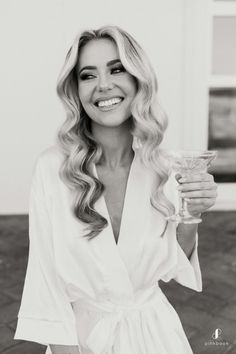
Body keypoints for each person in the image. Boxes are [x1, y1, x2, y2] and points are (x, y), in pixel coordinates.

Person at [14, 25, 217, 354]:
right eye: (87, 75)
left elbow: (173, 265)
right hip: (82, 340)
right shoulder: (53, 169)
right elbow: (45, 279)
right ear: (75, 90)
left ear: (139, 79)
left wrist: (192, 212)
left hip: (156, 335)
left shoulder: (162, 167)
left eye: (117, 69)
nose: (103, 85)